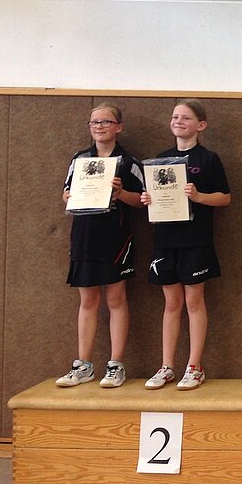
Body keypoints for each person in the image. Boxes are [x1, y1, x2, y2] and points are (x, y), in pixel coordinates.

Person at [140, 100, 231, 390]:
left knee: (193, 301)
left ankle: (194, 366)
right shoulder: (160, 160)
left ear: (200, 125)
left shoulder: (209, 159)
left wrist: (199, 196)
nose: (178, 121)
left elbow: (224, 197)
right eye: (175, 116)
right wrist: (148, 199)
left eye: (186, 118)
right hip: (165, 240)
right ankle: (167, 366)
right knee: (171, 303)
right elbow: (154, 196)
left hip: (195, 241)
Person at [56, 104, 144, 389]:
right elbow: (66, 194)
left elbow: (142, 200)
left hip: (115, 237)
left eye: (106, 122)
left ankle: (116, 364)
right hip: (84, 236)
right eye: (94, 122)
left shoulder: (128, 162)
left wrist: (120, 192)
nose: (99, 126)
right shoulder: (80, 159)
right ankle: (83, 365)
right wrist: (69, 195)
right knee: (88, 300)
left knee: (116, 299)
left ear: (118, 127)